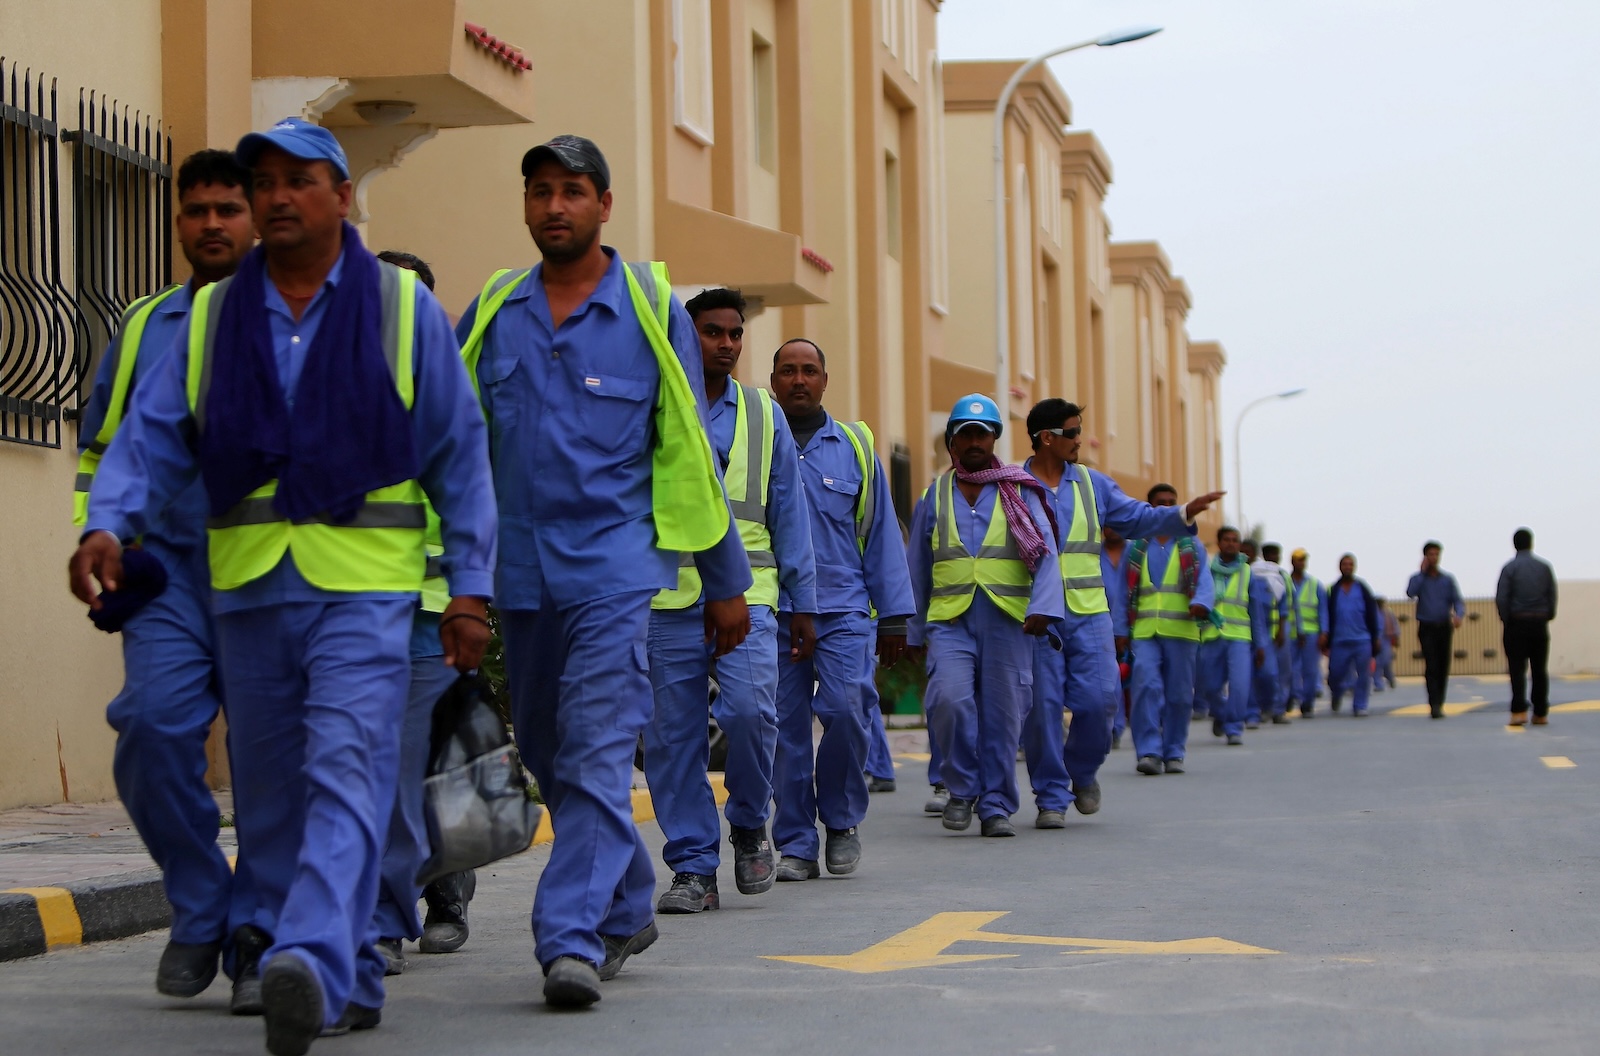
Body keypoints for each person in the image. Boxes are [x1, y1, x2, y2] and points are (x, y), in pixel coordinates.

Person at [70, 118, 498, 1054]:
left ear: (342, 196)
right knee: (267, 797)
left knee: (345, 770)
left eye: (298, 180)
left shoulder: (398, 307)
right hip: (249, 589)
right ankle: (296, 952)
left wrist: (469, 589)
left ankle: (310, 954)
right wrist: (107, 521)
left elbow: (458, 457)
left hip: (365, 592)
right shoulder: (214, 317)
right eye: (264, 180)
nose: (275, 197)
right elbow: (145, 434)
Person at [453, 135, 752, 1006]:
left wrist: (723, 577)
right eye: (540, 191)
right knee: (546, 748)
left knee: (591, 748)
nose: (555, 206)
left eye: (572, 191)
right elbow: (454, 444)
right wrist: (453, 577)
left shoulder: (653, 307)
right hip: (518, 572)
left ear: (604, 205)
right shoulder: (494, 309)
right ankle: (625, 899)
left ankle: (569, 940)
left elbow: (688, 448)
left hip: (617, 568)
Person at [70, 149, 255, 1007]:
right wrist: (100, 531)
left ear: (255, 219)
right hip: (170, 577)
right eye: (197, 210)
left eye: (228, 209)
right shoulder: (146, 327)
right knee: (148, 729)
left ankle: (263, 925)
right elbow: (107, 449)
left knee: (271, 762)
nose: (211, 223)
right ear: (178, 221)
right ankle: (200, 906)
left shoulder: (289, 317)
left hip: (271, 573)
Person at [644, 288, 816, 914]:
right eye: (711, 332)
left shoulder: (765, 415)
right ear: (687, 336)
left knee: (749, 714)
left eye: (734, 334)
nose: (724, 344)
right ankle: (692, 866)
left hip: (751, 594)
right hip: (666, 594)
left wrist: (806, 603)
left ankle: (748, 822)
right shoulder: (656, 401)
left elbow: (789, 515)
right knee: (671, 737)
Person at [1018, 399, 1220, 825]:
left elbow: (1140, 518)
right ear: (1046, 438)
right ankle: (1051, 797)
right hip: (1036, 616)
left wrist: (1183, 512)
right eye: (1072, 432)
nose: (1079, 439)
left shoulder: (1094, 485)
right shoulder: (1014, 487)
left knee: (1101, 700)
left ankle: (1083, 771)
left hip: (1090, 613)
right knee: (1042, 709)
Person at [768, 338, 914, 878]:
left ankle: (842, 821)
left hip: (845, 610)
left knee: (850, 711)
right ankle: (797, 843)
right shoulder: (757, 443)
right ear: (774, 379)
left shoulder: (854, 448)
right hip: (776, 610)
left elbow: (880, 535)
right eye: (788, 371)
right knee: (781, 727)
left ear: (825, 380)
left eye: (809, 371)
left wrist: (895, 614)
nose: (799, 380)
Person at [368, 251, 476, 972]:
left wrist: (470, 597)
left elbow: (473, 497)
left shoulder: (452, 390)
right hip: (358, 604)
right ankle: (399, 904)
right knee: (385, 765)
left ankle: (420, 901)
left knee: (421, 764)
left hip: (437, 612)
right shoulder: (336, 380)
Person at [908, 395, 1062, 836]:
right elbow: (916, 568)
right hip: (950, 622)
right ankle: (961, 788)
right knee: (949, 702)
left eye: (982, 433)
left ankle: (995, 805)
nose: (974, 441)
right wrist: (911, 630)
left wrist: (1044, 608)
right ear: (951, 442)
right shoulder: (933, 495)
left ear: (994, 438)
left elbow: (1047, 554)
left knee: (1004, 714)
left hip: (1008, 619)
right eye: (965, 434)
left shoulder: (1019, 492)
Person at [1119, 484, 1214, 775]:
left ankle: (1174, 751)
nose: (1167, 507)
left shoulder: (1191, 545)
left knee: (1179, 695)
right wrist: (1121, 629)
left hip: (1182, 631)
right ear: (1149, 508)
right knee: (1145, 686)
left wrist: (1201, 602)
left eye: (1172, 502)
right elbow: (1123, 592)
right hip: (1146, 631)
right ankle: (1148, 751)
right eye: (1160, 503)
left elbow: (1205, 582)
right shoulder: (1135, 547)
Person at [1196, 526, 1273, 745]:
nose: (1231, 544)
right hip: (1211, 636)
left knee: (1239, 686)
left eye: (1235, 540)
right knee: (1210, 688)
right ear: (1219, 543)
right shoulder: (1207, 569)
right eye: (1227, 540)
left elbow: (1256, 613)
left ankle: (1233, 727)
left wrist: (1260, 645)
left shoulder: (1247, 573)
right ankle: (1221, 715)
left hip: (1240, 637)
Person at [1497, 528, 1557, 726]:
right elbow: (1552, 594)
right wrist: (1547, 615)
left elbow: (1502, 598)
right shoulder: (1544, 567)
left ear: (1514, 544)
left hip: (1517, 623)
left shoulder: (1509, 568)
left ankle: (1519, 711)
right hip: (1539, 623)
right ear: (1531, 543)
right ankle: (1540, 713)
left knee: (1517, 669)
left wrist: (1507, 619)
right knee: (1539, 670)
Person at [1406, 540, 1465, 719]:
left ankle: (1440, 701)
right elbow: (1410, 593)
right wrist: (1422, 573)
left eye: (1436, 554)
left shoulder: (1447, 579)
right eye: (1430, 554)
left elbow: (1458, 600)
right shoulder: (1418, 579)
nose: (1434, 558)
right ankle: (1434, 704)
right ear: (1425, 557)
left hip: (1444, 626)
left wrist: (1459, 615)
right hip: (1427, 627)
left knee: (1443, 665)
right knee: (1431, 665)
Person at [1324, 554, 1379, 717]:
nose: (1347, 567)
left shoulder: (1362, 588)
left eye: (1350, 564)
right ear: (1339, 567)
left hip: (1362, 640)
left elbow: (1372, 613)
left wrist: (1375, 636)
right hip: (1339, 641)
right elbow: (1327, 614)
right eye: (1344, 564)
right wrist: (1326, 636)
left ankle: (1360, 705)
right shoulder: (1334, 590)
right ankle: (1337, 693)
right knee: (1335, 673)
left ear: (1354, 567)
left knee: (1363, 674)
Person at [1254, 543, 1295, 722]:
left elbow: (1287, 604)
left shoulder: (1282, 576)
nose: (1274, 558)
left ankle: (1278, 710)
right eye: (1270, 554)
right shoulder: (1255, 574)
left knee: (1282, 673)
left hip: (1278, 630)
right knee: (1266, 673)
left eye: (1276, 554)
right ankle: (1265, 707)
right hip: (1260, 630)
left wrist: (1282, 629)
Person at [1288, 548, 1328, 717]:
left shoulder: (1315, 584)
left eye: (1303, 560)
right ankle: (1292, 697)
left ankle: (1308, 703)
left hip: (1311, 633)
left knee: (1310, 670)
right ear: (1292, 562)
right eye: (1298, 560)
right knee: (1290, 669)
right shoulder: (1285, 582)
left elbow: (1323, 610)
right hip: (1290, 633)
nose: (1301, 563)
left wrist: (1324, 632)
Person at [1103, 526, 1132, 750]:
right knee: (1111, 679)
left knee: (1145, 680)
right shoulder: (1092, 553)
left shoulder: (1137, 552)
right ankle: (1114, 727)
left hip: (1137, 625)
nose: (1112, 529)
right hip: (1100, 626)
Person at [1371, 598, 1399, 694]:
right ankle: (1378, 684)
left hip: (1386, 640)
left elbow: (1394, 625)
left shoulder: (1388, 613)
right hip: (1376, 641)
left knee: (1386, 662)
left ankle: (1390, 678)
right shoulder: (1372, 614)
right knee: (1378, 663)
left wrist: (1396, 637)